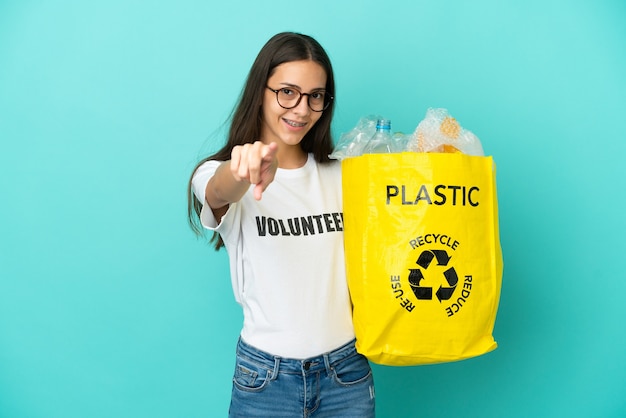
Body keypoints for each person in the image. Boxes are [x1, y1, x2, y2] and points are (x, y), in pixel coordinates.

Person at [187, 32, 376, 417]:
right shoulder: (218, 173)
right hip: (265, 381)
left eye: (316, 96)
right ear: (261, 92)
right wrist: (243, 170)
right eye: (287, 92)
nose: (301, 109)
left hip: (346, 376)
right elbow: (219, 189)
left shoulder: (344, 176)